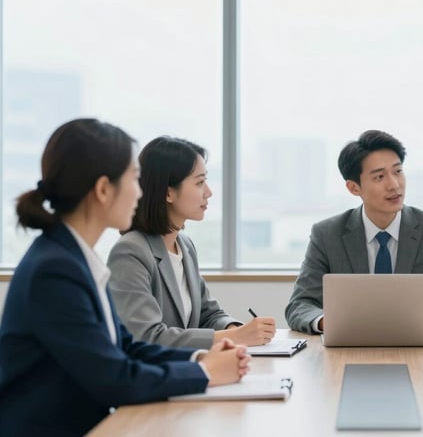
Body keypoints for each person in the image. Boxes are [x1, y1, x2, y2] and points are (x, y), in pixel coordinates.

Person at [0, 119, 250, 437]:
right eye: (134, 178)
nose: (141, 191)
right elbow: (114, 378)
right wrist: (203, 372)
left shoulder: (75, 258)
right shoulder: (54, 270)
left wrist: (202, 356)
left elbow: (127, 347)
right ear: (104, 190)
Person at [285, 130, 423, 334]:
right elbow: (300, 305)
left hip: (416, 344)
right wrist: (328, 323)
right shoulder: (327, 234)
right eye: (380, 177)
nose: (394, 185)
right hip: (349, 344)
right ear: (354, 188)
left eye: (398, 171)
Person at [108, 136, 275, 348]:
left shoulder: (184, 245)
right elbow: (145, 336)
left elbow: (208, 314)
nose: (209, 192)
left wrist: (235, 329)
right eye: (199, 182)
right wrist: (235, 337)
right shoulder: (130, 251)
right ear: (168, 193)